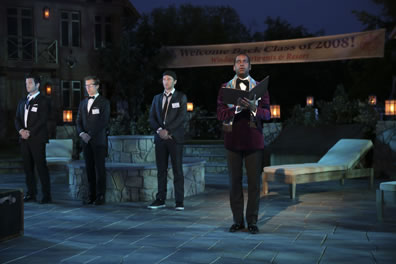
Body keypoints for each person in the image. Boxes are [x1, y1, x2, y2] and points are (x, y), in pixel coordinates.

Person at [217, 54, 271, 234]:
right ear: (233, 67)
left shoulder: (260, 87)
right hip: (232, 140)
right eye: (238, 62)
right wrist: (237, 109)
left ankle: (252, 221)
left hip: (253, 141)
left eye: (245, 61)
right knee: (234, 183)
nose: (241, 64)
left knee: (254, 184)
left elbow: (268, 114)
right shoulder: (225, 88)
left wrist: (254, 108)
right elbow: (220, 115)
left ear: (250, 66)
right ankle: (238, 221)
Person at [148, 70, 187, 210]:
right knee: (161, 170)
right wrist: (160, 131)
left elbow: (181, 117)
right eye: (164, 79)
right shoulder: (156, 98)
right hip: (160, 139)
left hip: (175, 138)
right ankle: (160, 199)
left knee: (177, 170)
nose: (166, 81)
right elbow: (151, 118)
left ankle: (179, 201)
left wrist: (168, 131)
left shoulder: (181, 97)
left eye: (169, 79)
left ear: (174, 81)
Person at [15, 74, 52, 204]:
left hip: (37, 139)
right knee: (27, 168)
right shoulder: (23, 101)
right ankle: (31, 193)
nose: (27, 85)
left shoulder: (44, 101)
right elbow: (17, 119)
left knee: (41, 167)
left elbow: (42, 120)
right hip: (24, 139)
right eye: (26, 83)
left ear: (37, 85)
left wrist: (29, 132)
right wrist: (21, 131)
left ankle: (46, 195)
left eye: (30, 83)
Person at [76, 76, 110, 205]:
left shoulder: (104, 102)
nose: (88, 88)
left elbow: (103, 121)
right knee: (89, 169)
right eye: (86, 85)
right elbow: (78, 121)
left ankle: (101, 196)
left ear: (97, 86)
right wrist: (81, 133)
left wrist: (89, 134)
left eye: (90, 85)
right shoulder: (83, 103)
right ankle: (91, 195)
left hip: (98, 141)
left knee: (99, 169)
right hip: (85, 141)